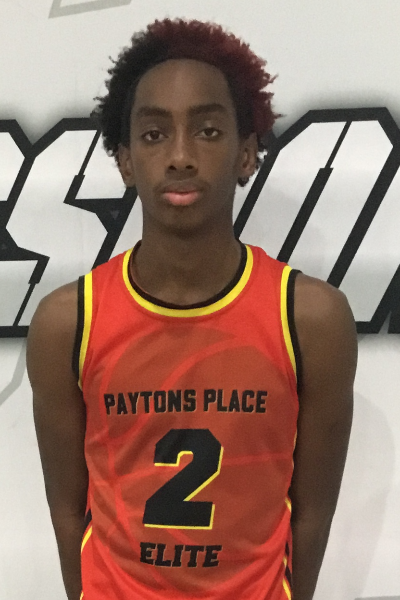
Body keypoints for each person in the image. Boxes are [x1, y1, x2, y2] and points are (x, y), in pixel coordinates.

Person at [27, 18, 357, 600]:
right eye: (154, 134)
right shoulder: (67, 324)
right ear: (125, 160)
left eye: (207, 130)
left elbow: (311, 515)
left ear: (246, 154)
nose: (180, 157)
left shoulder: (311, 320)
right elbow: (66, 512)